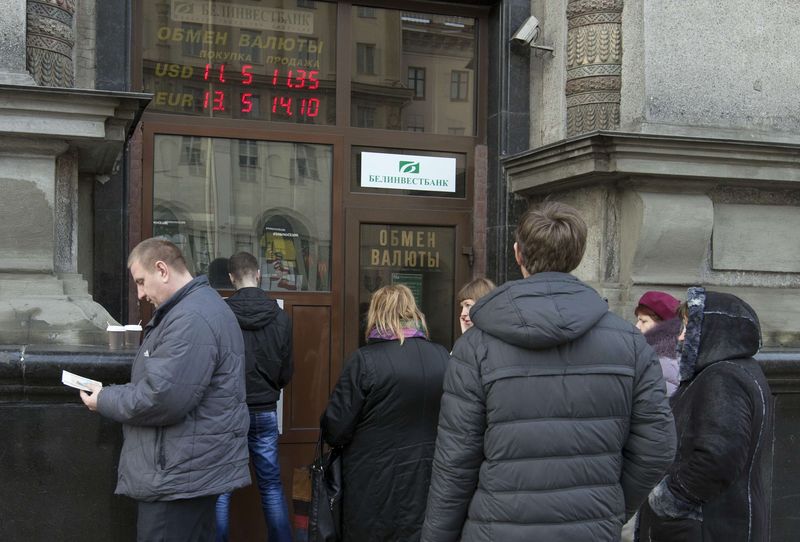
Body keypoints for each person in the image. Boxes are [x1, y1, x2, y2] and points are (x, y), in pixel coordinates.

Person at [422, 201, 676, 541]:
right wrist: (609, 507)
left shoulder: (476, 347)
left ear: (518, 254)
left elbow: (455, 463)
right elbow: (656, 447)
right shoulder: (629, 342)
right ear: (578, 254)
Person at [80, 237, 251, 542]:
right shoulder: (198, 309)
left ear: (162, 269)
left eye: (142, 282)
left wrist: (104, 398)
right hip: (186, 472)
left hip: (177, 477)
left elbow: (161, 398)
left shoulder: (191, 317)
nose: (141, 293)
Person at [637, 287, 773, 542]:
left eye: (689, 327)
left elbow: (718, 457)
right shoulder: (731, 371)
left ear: (715, 330)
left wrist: (670, 497)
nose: (680, 337)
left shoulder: (723, 377)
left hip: (703, 527)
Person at [321, 284, 450, 541]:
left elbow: (335, 430)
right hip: (428, 483)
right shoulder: (443, 358)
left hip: (372, 488)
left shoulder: (364, 361)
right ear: (413, 311)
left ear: (376, 313)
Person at [215, 251, 293, 542]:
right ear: (258, 274)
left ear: (231, 278)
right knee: (271, 486)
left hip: (227, 411)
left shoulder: (220, 314)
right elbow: (286, 371)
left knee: (221, 488)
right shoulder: (281, 317)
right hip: (264, 410)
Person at [636, 291, 682, 396]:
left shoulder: (659, 359)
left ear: (662, 324)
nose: (637, 326)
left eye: (644, 321)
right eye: (638, 320)